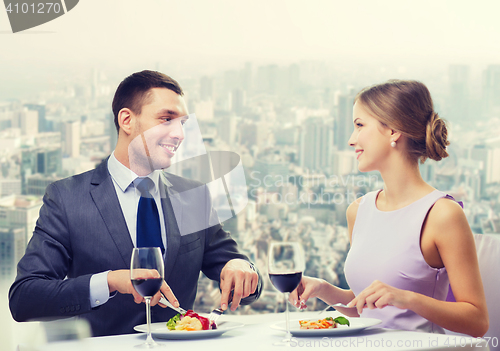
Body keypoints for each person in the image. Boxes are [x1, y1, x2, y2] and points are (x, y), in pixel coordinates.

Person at [9, 70, 262, 337]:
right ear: (127, 120)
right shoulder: (67, 198)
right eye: (166, 119)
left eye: (182, 124)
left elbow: (241, 281)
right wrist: (111, 281)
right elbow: (25, 298)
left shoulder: (193, 196)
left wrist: (241, 268)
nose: (179, 134)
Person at [290, 79, 489, 337]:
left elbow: (477, 321)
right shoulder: (358, 210)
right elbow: (369, 308)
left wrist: (408, 299)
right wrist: (324, 289)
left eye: (360, 125)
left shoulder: (442, 214)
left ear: (394, 131)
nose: (352, 140)